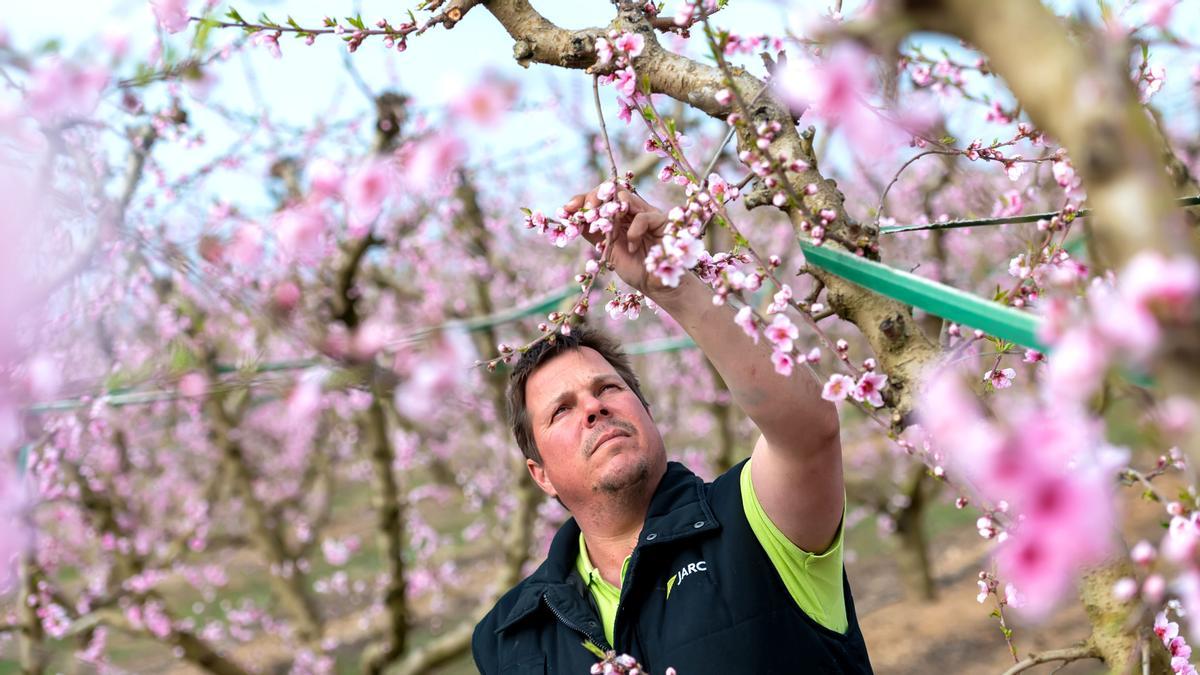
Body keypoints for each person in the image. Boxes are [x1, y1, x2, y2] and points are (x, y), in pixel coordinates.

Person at [471, 186, 874, 674]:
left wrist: (677, 287)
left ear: (647, 411)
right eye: (562, 410)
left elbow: (808, 432)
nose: (594, 407)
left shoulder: (754, 522)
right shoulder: (508, 637)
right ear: (541, 475)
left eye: (608, 388)